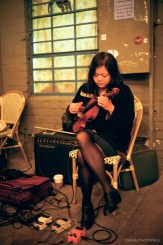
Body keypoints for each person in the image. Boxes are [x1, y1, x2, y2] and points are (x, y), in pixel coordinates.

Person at [67, 52, 135, 230]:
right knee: (83, 153)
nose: (99, 79)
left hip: (114, 141)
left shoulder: (123, 92)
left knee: (82, 139)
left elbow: (126, 126)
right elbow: (72, 118)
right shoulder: (85, 89)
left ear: (113, 74)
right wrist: (70, 109)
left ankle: (89, 205)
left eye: (104, 75)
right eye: (96, 75)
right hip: (89, 143)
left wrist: (111, 108)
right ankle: (102, 196)